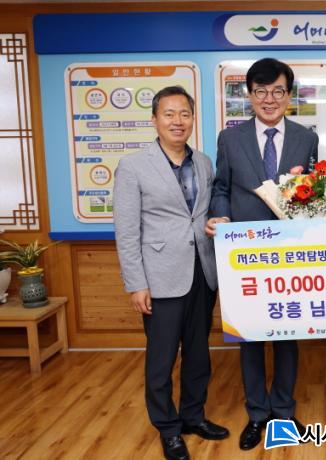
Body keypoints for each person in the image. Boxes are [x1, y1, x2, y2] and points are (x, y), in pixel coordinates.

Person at [205, 58, 318, 450]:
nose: (269, 99)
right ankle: (257, 414)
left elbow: (313, 192)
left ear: (289, 95)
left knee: (288, 334)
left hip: (290, 255)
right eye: (261, 91)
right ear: (249, 95)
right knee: (250, 336)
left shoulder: (306, 138)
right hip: (246, 255)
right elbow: (222, 187)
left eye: (278, 91)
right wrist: (220, 215)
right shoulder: (229, 138)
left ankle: (283, 410)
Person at [113, 86, 228, 460]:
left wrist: (217, 222)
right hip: (159, 277)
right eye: (169, 114)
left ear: (193, 119)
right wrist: (136, 284)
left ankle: (194, 416)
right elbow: (126, 230)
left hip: (203, 272)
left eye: (185, 114)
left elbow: (204, 214)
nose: (178, 121)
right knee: (161, 359)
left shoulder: (204, 162)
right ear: (154, 120)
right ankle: (168, 427)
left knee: (198, 353)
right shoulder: (134, 165)